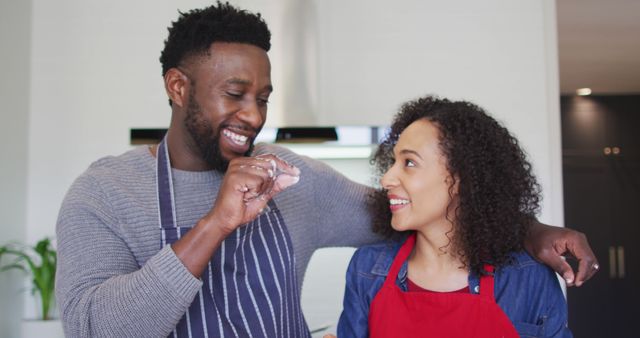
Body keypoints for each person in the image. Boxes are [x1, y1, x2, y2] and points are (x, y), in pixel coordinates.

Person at [55, 2, 596, 337]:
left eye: (263, 97)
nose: (254, 116)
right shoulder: (103, 194)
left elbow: (415, 212)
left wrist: (532, 230)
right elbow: (96, 329)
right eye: (235, 94)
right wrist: (213, 225)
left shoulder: (288, 176)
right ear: (178, 87)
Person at [334, 96, 573, 337]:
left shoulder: (527, 277)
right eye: (393, 160)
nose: (386, 179)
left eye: (409, 162)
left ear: (461, 178)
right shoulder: (368, 270)